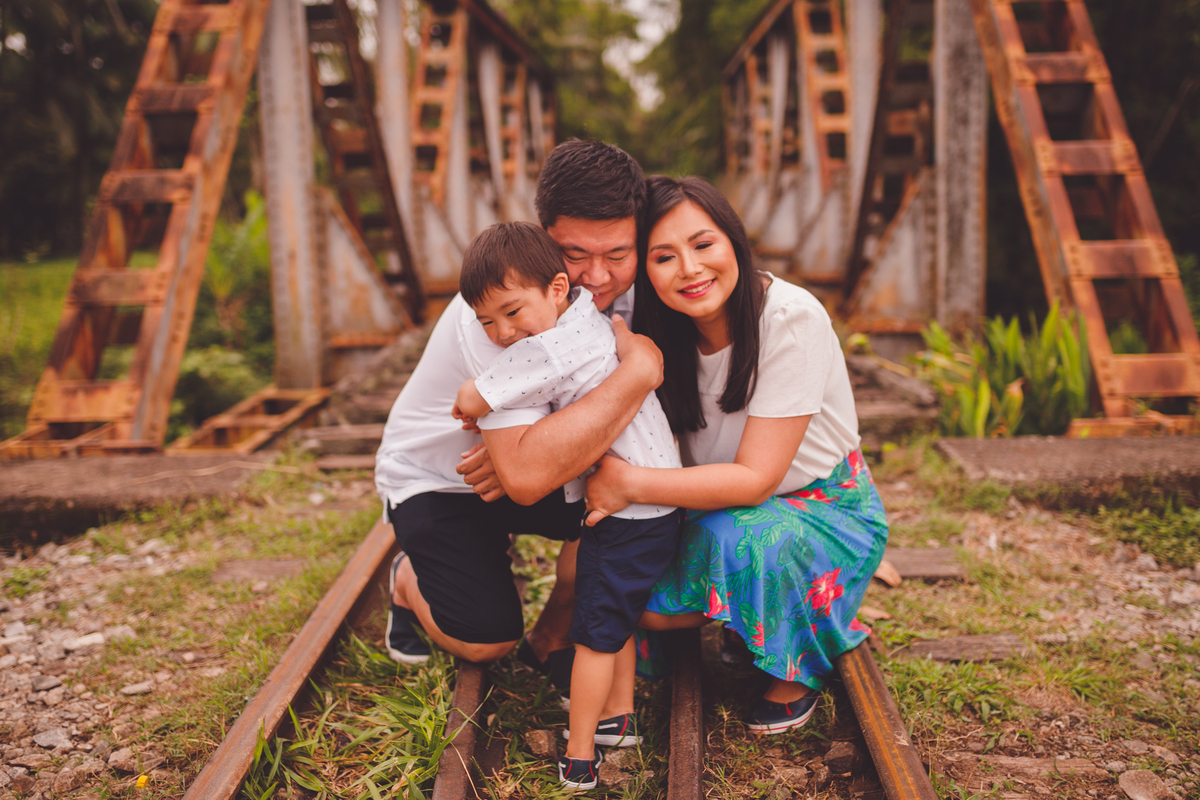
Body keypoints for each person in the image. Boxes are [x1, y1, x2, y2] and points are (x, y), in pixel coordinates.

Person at [584, 175, 889, 734]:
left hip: (814, 509)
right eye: (664, 256)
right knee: (633, 589)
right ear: (646, 272)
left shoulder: (789, 318)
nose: (690, 269)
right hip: (705, 503)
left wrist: (629, 484)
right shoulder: (654, 330)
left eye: (704, 245)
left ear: (734, 242)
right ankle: (738, 617)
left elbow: (754, 481)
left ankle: (793, 667)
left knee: (741, 538)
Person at [374, 141, 661, 692]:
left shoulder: (619, 293)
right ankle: (408, 579)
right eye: (575, 253)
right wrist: (640, 373)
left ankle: (553, 635)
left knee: (629, 502)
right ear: (541, 236)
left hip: (524, 467)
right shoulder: (499, 313)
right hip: (445, 481)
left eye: (618, 254)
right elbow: (528, 479)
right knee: (485, 639)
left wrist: (541, 451)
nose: (598, 276)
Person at [452, 221, 681, 788]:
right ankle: (620, 721)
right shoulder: (586, 319)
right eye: (486, 321)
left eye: (511, 312)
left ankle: (579, 758)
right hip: (646, 505)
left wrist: (472, 397)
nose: (503, 332)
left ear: (557, 288)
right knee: (617, 614)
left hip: (627, 509)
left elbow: (498, 383)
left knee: (594, 635)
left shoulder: (556, 342)